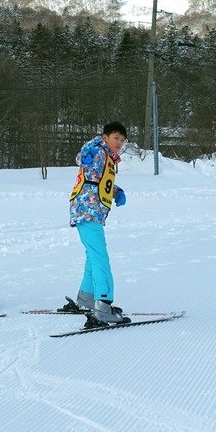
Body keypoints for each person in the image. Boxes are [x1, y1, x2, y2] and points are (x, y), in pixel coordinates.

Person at [66, 121, 130, 324]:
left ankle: (86, 298)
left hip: (91, 211)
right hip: (87, 211)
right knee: (100, 256)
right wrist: (88, 151)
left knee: (92, 255)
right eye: (115, 138)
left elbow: (98, 180)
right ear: (105, 137)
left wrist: (116, 191)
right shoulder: (97, 151)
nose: (119, 142)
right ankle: (103, 305)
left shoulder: (109, 158)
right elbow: (83, 159)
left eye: (122, 139)